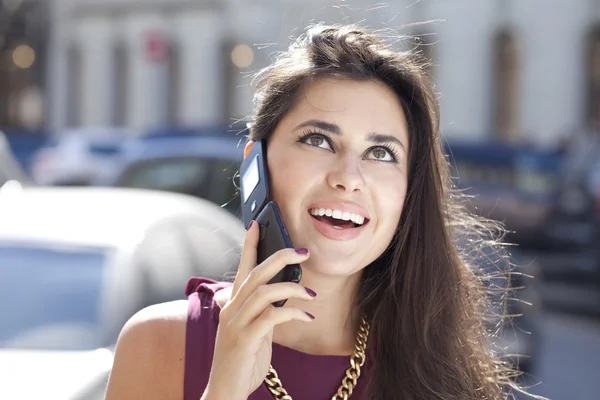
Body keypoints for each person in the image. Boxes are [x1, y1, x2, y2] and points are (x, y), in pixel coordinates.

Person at [104, 23, 537, 400]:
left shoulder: (440, 368)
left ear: (408, 192)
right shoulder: (161, 344)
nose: (349, 177)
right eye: (318, 140)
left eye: (382, 153)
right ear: (257, 163)